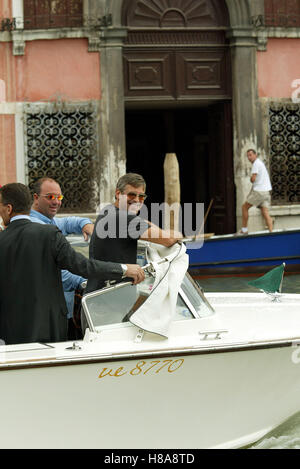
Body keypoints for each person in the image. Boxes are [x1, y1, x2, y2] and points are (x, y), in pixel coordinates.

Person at [0, 183, 145, 345]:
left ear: (8, 208)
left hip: (10, 330)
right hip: (50, 326)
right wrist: (123, 269)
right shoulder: (49, 233)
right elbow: (82, 266)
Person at [85, 172, 183, 296]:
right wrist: (178, 234)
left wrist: (144, 222)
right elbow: (169, 239)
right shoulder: (123, 218)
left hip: (99, 294)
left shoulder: (108, 211)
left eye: (141, 196)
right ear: (118, 194)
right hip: (109, 298)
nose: (136, 200)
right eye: (131, 195)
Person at [29, 177, 93, 338]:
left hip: (64, 312)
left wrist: (86, 225)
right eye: (50, 197)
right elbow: (56, 274)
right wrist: (85, 281)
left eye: (59, 197)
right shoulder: (36, 226)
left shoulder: (51, 222)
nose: (56, 202)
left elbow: (72, 221)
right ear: (36, 198)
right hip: (47, 316)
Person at [239, 149, 273, 234]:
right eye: (247, 156)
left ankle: (244, 230)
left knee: (244, 207)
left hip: (259, 192)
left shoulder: (256, 164)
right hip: (266, 192)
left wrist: (251, 179)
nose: (249, 157)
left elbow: (253, 179)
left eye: (250, 155)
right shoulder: (260, 163)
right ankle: (271, 232)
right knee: (265, 212)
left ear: (255, 155)